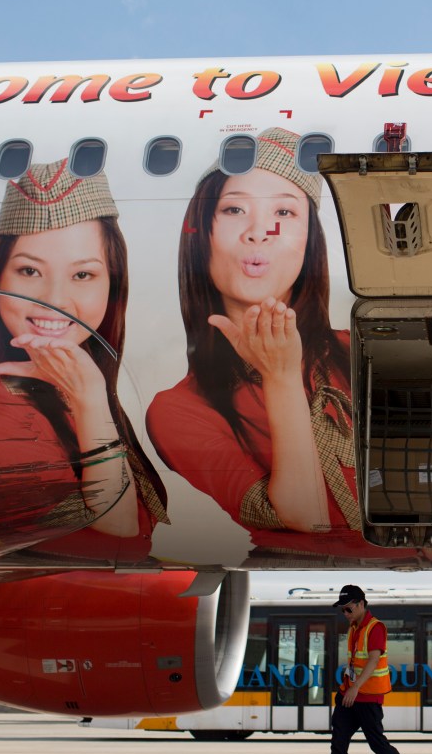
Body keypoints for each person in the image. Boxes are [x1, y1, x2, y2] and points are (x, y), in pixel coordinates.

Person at [147, 127, 410, 560]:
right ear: (202, 236)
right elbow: (307, 517)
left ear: (310, 244)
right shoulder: (178, 410)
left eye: (285, 213)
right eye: (233, 209)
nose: (259, 232)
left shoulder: (365, 353)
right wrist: (282, 378)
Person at [0, 159, 167, 560]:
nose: (53, 300)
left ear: (112, 286)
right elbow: (116, 539)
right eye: (29, 271)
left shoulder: (74, 378)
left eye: (83, 275)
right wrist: (91, 402)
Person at [308, 585, 423, 754]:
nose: (345, 614)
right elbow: (355, 662)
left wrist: (356, 687)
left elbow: (372, 660)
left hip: (368, 697)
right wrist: (346, 689)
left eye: (349, 609)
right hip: (349, 697)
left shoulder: (375, 627)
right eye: (342, 610)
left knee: (377, 744)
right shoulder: (353, 628)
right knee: (338, 743)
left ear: (361, 604)